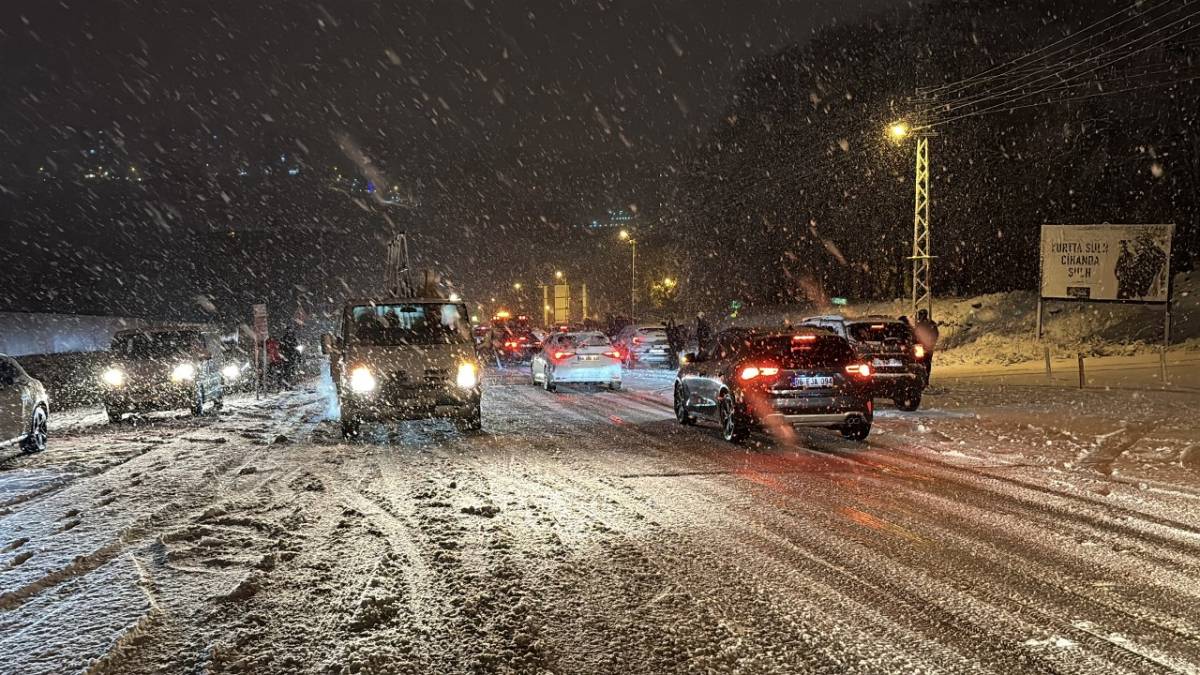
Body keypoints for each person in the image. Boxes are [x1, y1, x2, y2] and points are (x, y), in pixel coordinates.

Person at [913, 309, 939, 383]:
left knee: (922, 363)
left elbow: (915, 335)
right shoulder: (930, 324)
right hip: (926, 347)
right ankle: (925, 379)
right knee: (926, 364)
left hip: (922, 347)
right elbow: (935, 334)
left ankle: (923, 380)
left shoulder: (919, 325)